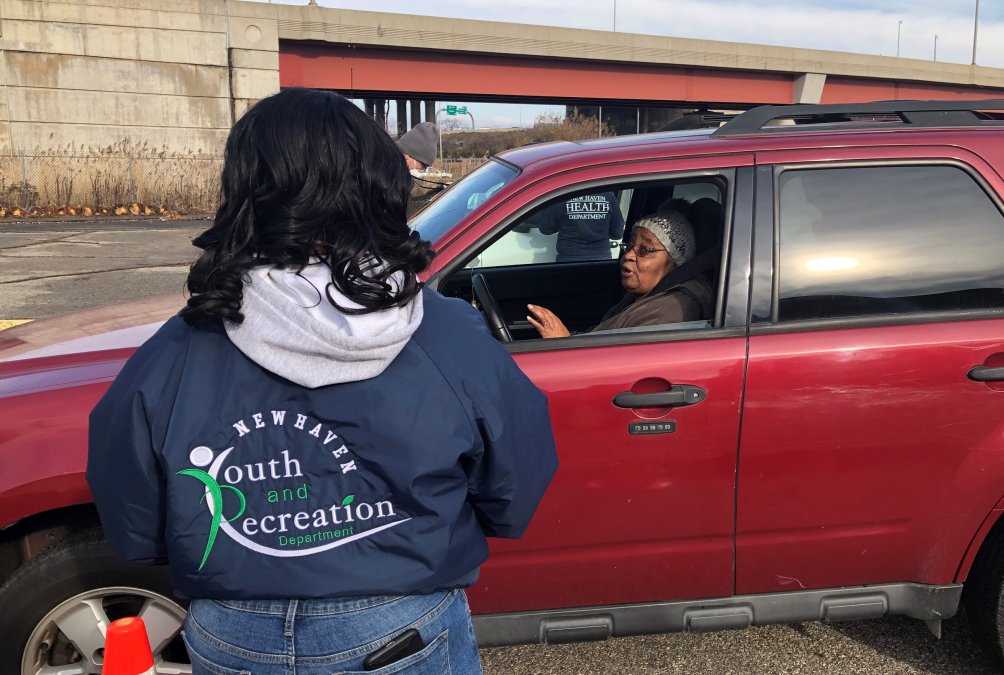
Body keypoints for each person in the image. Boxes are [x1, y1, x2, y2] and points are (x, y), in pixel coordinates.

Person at [86, 88, 557, 675]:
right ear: (379, 184)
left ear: (246, 189)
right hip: (396, 625)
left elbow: (129, 495)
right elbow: (516, 475)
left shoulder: (184, 344)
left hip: (233, 626)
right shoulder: (444, 333)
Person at [526, 208, 712, 337]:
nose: (629, 255)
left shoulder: (673, 310)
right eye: (630, 246)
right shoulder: (644, 296)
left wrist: (563, 343)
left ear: (675, 263)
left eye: (644, 250)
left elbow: (618, 368)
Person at [536, 191, 625, 262]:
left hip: (568, 261)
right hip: (601, 261)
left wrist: (565, 224)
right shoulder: (608, 196)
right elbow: (617, 233)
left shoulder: (561, 196)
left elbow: (545, 228)